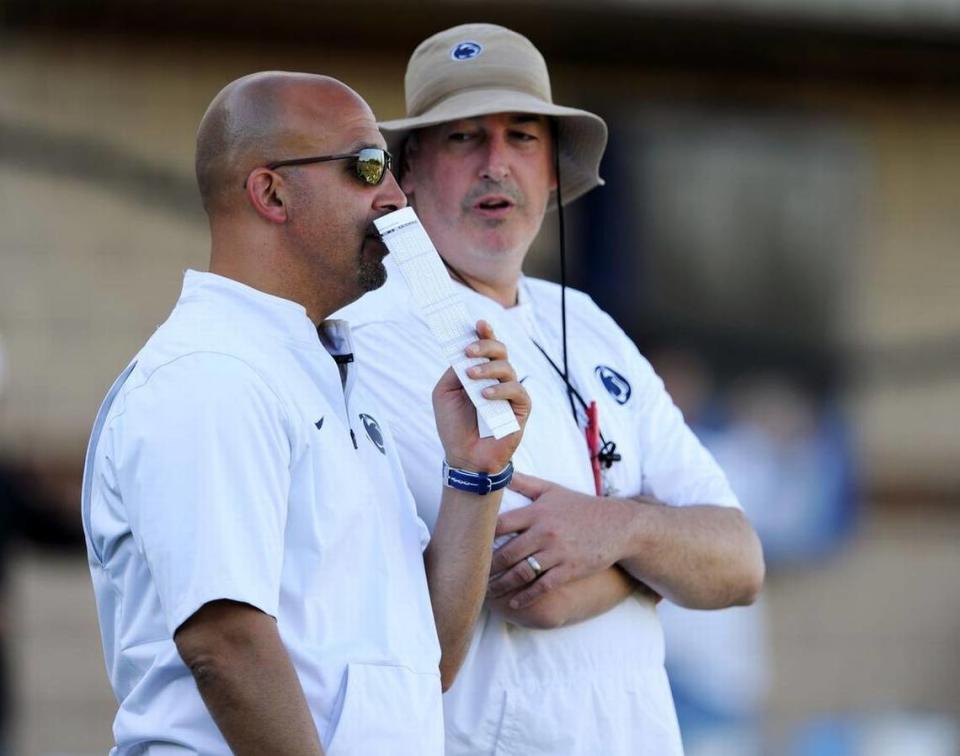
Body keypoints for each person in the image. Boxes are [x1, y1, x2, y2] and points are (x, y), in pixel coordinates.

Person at [336, 24, 765, 755]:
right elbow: (530, 589)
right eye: (464, 138)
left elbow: (740, 562)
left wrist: (618, 531)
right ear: (407, 173)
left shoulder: (587, 322)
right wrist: (661, 554)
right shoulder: (371, 337)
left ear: (555, 171)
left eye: (522, 138)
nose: (496, 164)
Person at [80, 71, 530, 755]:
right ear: (271, 193)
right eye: (367, 166)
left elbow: (422, 663)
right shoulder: (212, 372)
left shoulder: (319, 373)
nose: (395, 196)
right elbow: (225, 644)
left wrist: (475, 479)